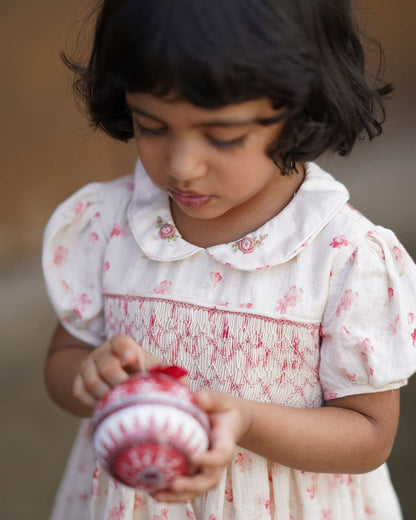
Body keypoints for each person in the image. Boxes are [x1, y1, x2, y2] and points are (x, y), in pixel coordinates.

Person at [42, 1, 416, 518]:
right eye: (152, 126)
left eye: (222, 137)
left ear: (302, 110)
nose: (181, 165)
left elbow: (369, 435)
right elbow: (62, 363)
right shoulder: (108, 223)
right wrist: (90, 376)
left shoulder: (344, 258)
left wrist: (244, 419)